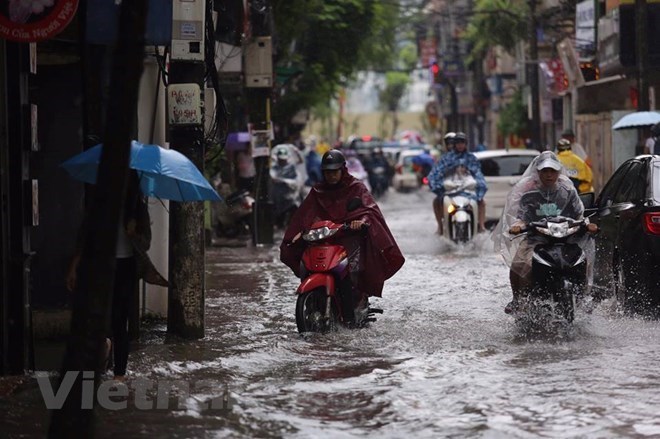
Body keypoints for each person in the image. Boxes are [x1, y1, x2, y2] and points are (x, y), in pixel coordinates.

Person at [279, 149, 405, 324]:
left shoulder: (356, 187)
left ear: (343, 170)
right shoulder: (318, 190)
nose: (331, 176)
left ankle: (351, 314)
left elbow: (369, 210)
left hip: (349, 240)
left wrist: (361, 221)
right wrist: (299, 232)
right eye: (328, 172)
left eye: (335, 171)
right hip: (324, 239)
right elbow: (305, 214)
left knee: (348, 273)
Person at [66, 171, 167, 380]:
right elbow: (84, 239)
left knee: (121, 321)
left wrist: (134, 234)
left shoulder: (138, 211)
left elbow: (146, 242)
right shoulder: (99, 207)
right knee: (99, 316)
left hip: (126, 268)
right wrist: (73, 268)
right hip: (101, 267)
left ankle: (119, 373)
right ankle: (104, 348)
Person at [492, 151, 597, 314]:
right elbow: (521, 217)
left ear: (558, 172)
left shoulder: (567, 191)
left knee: (584, 261)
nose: (549, 175)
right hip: (536, 238)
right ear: (538, 172)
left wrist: (588, 224)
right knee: (518, 264)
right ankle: (517, 299)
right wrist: (517, 226)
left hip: (565, 238)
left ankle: (583, 297)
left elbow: (579, 215)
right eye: (545, 171)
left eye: (552, 171)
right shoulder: (529, 194)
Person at [428, 132, 487, 234]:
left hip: (468, 189)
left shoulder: (471, 158)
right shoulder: (446, 159)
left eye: (462, 143)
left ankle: (481, 226)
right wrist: (436, 184)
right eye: (458, 143)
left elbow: (478, 173)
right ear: (454, 144)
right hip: (450, 189)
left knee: (481, 202)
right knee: (436, 201)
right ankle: (440, 227)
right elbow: (436, 173)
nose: (460, 145)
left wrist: (481, 185)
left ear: (466, 144)